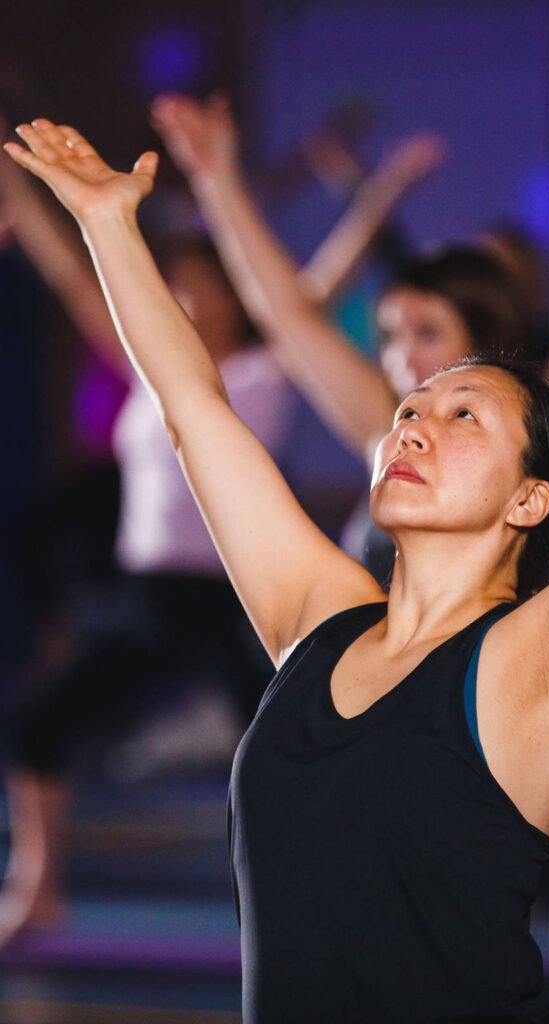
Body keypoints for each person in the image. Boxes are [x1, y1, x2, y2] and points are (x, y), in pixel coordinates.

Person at [8, 116, 549, 1024]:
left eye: (463, 416)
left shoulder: (541, 661)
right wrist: (105, 224)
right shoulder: (317, 620)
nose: (411, 422)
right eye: (409, 409)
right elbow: (191, 407)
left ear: (529, 500)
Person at [0, 133, 296, 945]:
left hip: (228, 599)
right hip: (148, 593)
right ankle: (39, 888)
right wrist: (20, 189)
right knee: (38, 730)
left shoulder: (261, 371)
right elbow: (71, 277)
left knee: (286, 765)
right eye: (179, 290)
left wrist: (229, 181)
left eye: (202, 290)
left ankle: (326, 913)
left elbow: (301, 297)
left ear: (233, 302)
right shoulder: (153, 367)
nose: (188, 303)